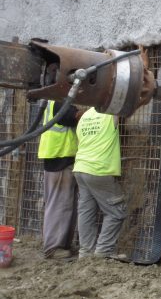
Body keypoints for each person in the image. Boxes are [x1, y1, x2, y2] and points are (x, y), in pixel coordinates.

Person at [73, 107, 127, 259]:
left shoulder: (84, 117)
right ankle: (104, 250)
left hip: (80, 169)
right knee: (117, 211)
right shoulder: (111, 114)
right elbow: (126, 103)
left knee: (86, 212)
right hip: (100, 170)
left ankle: (85, 253)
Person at [37, 100, 80, 259]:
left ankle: (62, 245)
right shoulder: (60, 100)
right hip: (60, 156)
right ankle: (53, 248)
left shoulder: (51, 100)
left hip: (57, 156)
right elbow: (72, 117)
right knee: (60, 204)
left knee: (64, 203)